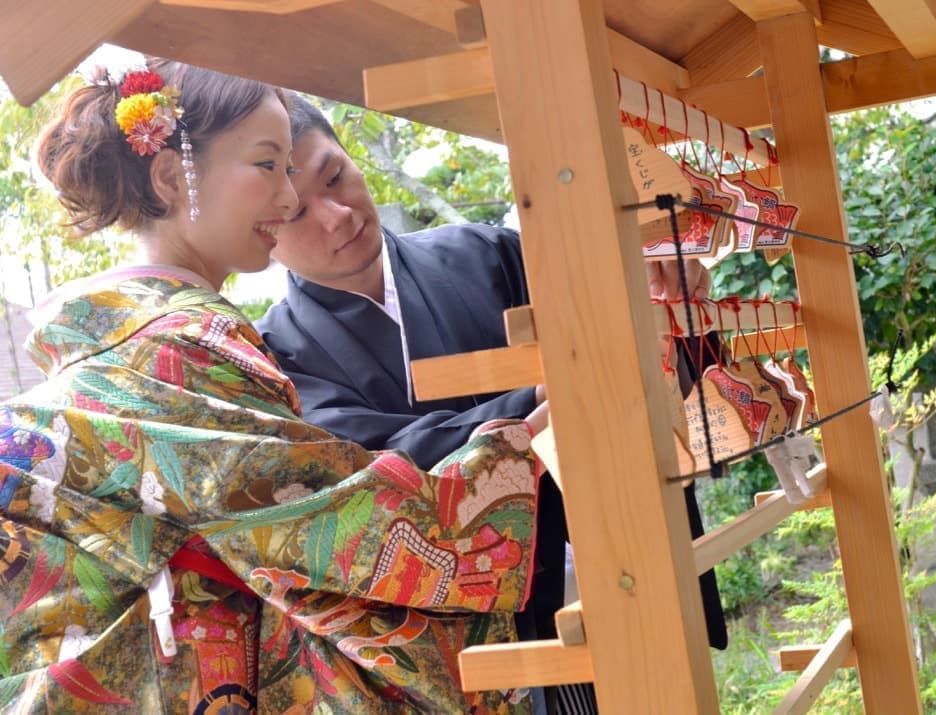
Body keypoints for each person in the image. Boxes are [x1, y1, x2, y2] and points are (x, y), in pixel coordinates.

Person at [0, 59, 545, 713]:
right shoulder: (179, 345)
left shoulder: (139, 333)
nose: (288, 202)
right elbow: (339, 528)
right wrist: (533, 432)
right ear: (173, 177)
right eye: (268, 166)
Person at [255, 96, 727, 677]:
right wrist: (534, 403)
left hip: (621, 542)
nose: (337, 215)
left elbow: (637, 354)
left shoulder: (486, 254)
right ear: (262, 227)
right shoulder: (277, 351)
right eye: (297, 213)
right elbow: (363, 463)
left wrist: (667, 305)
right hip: (461, 625)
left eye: (337, 176)